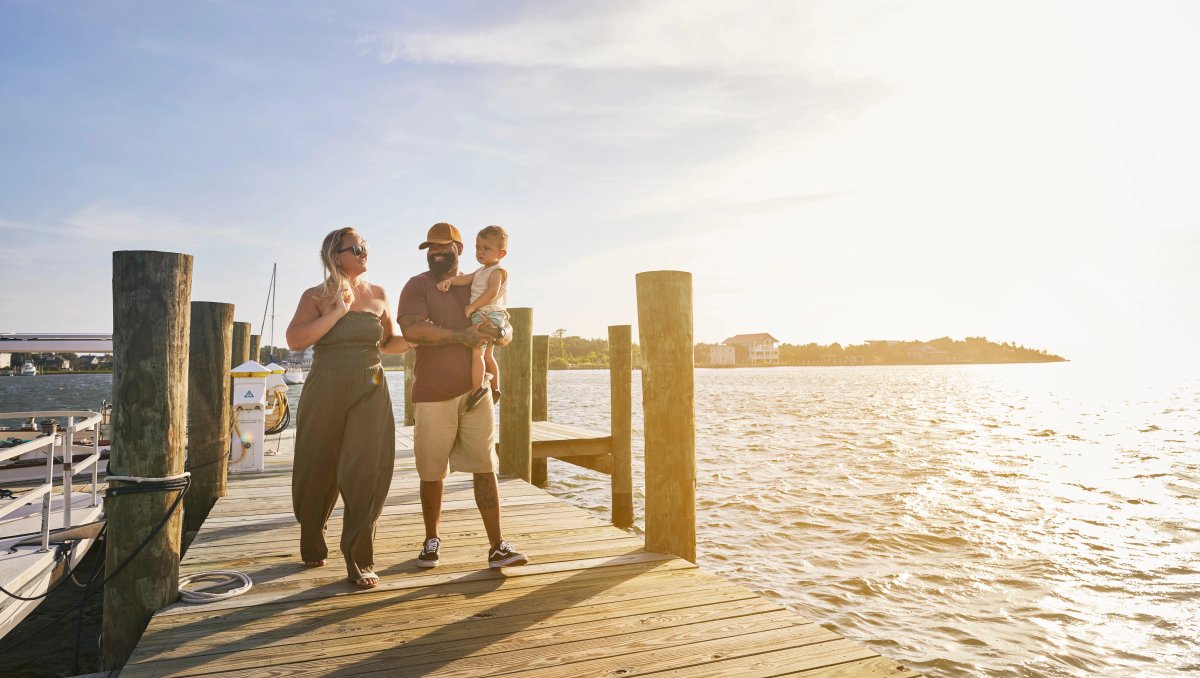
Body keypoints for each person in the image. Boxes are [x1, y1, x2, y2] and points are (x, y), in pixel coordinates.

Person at [397, 222, 528, 570]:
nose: (435, 253)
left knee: (485, 467)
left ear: (458, 248)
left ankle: (497, 545)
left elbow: (505, 325)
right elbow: (411, 329)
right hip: (432, 393)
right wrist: (461, 336)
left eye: (442, 246)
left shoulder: (481, 280)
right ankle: (431, 539)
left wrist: (502, 334)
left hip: (477, 393)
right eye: (430, 248)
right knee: (431, 472)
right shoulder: (417, 285)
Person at [285, 227, 410, 589]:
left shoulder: (380, 294)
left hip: (370, 386)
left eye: (365, 246)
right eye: (355, 248)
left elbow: (387, 343)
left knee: (368, 471)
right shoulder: (316, 296)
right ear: (334, 256)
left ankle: (358, 556)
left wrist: (419, 339)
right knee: (317, 467)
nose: (363, 252)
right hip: (325, 386)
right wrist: (337, 312)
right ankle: (312, 534)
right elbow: (295, 340)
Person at [435, 225, 509, 410]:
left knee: (477, 354)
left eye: (486, 249)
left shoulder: (496, 271)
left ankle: (477, 390)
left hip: (487, 314)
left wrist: (473, 306)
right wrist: (451, 281)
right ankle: (495, 387)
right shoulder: (480, 271)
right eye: (478, 248)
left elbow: (492, 292)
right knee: (489, 355)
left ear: (501, 254)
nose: (480, 252)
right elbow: (466, 279)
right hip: (490, 316)